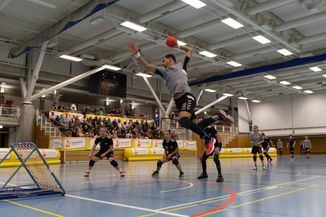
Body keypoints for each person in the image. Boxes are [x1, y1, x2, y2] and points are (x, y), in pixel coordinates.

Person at [128, 41, 234, 155]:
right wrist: (137, 55)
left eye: (163, 60)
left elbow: (190, 50)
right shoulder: (163, 71)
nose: (162, 62)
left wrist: (177, 45)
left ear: (170, 59)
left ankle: (208, 139)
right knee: (197, 125)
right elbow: (148, 66)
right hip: (179, 102)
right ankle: (218, 116)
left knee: (183, 121)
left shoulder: (181, 65)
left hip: (187, 96)